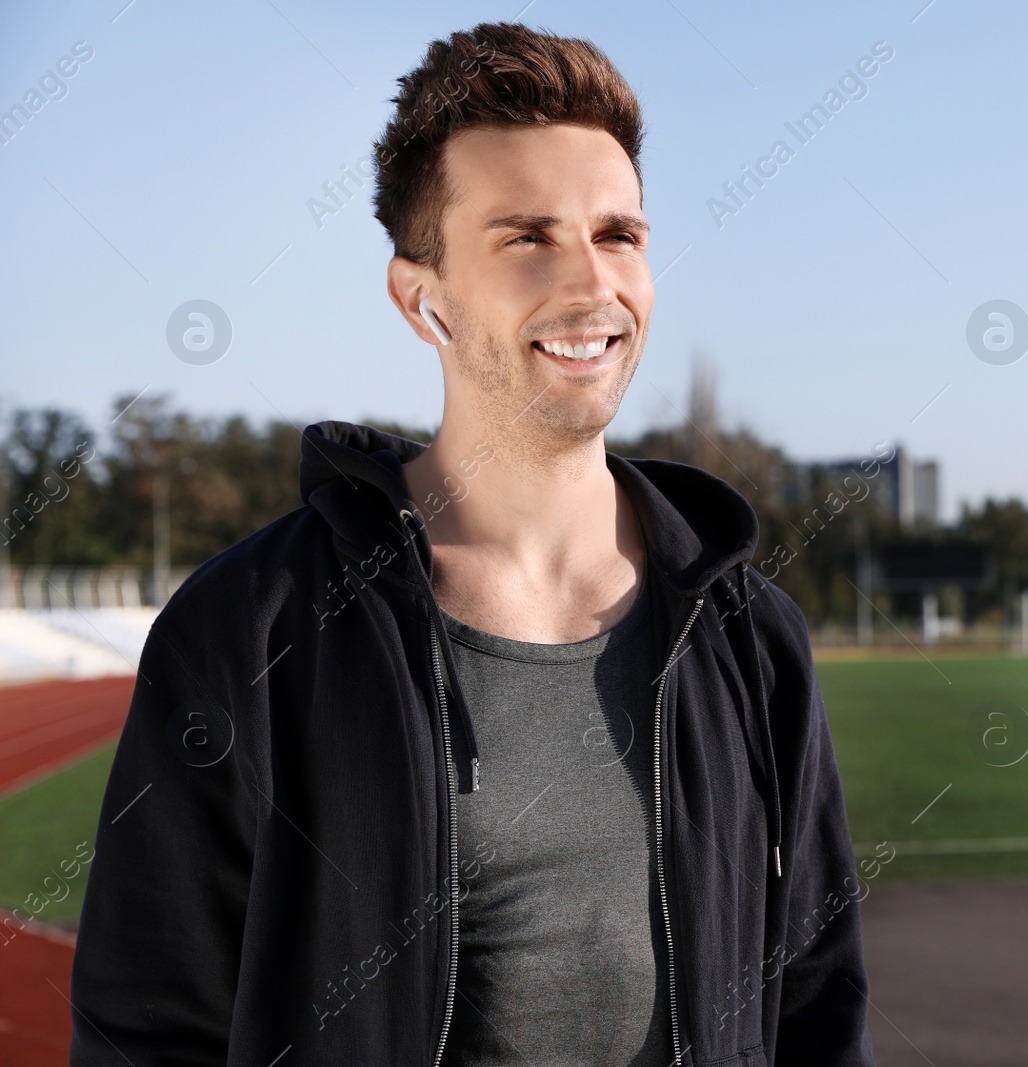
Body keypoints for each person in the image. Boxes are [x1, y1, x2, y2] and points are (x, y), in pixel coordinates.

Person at [70, 22, 874, 1067]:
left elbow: (815, 1000)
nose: (592, 284)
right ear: (422, 297)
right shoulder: (249, 628)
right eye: (527, 237)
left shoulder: (747, 632)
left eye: (618, 234)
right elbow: (147, 1024)